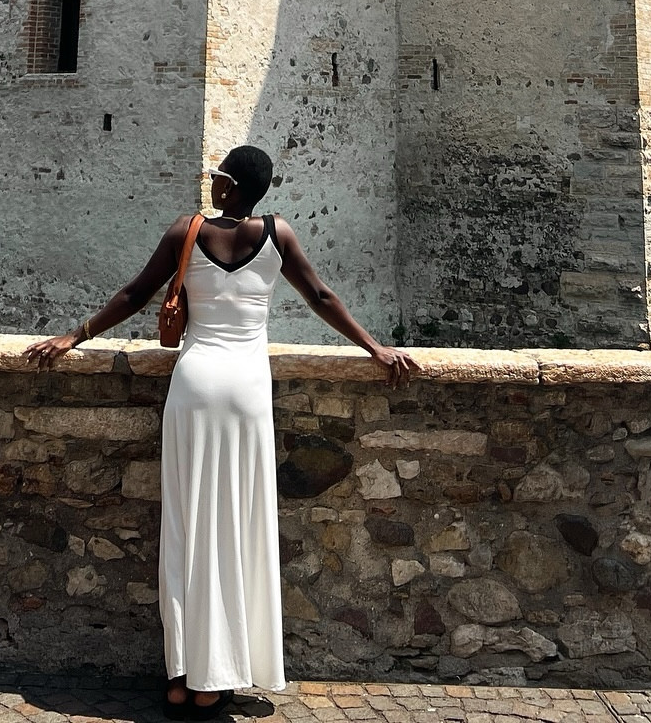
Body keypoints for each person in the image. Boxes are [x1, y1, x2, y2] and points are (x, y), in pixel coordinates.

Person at [26, 146, 418, 716]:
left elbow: (136, 295)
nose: (211, 185)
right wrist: (376, 349)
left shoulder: (186, 231)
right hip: (248, 391)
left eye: (218, 178)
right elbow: (322, 298)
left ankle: (184, 677)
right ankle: (220, 675)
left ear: (233, 187)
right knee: (237, 527)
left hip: (195, 385)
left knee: (188, 527)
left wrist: (73, 335)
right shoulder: (278, 234)